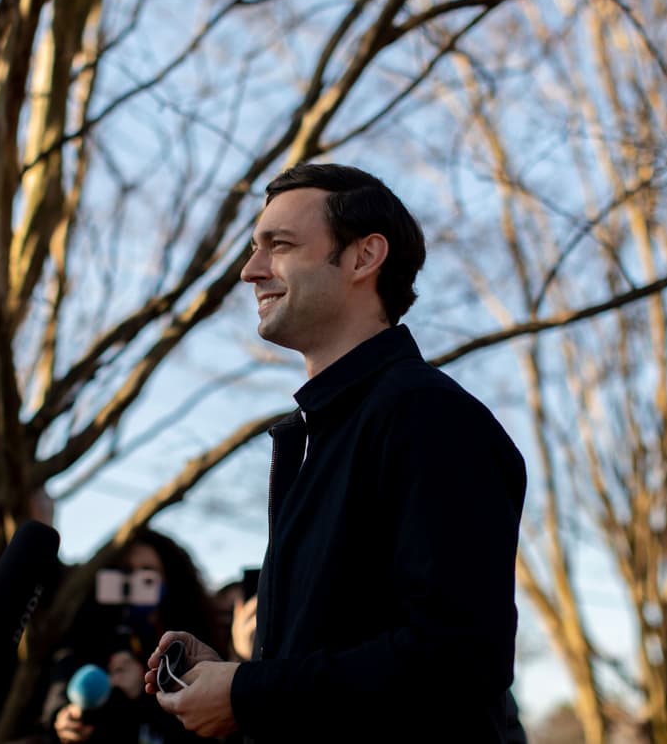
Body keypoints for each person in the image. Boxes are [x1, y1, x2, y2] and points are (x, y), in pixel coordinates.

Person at [143, 163, 527, 741]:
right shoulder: (320, 435)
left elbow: (458, 658)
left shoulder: (430, 417)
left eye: (280, 245)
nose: (250, 271)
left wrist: (248, 693)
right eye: (254, 249)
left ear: (363, 257)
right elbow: (342, 660)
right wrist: (234, 676)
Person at [42, 528, 221, 744]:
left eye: (147, 571)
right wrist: (62, 716)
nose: (135, 580)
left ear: (169, 579)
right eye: (125, 570)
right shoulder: (86, 633)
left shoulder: (188, 645)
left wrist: (145, 691)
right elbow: (61, 678)